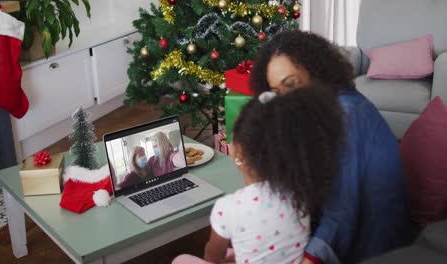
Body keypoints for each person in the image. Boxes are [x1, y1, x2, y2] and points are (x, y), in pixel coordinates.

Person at [250, 30, 411, 264]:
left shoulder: (345, 115)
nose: (285, 99)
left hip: (372, 242)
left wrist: (309, 258)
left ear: (315, 72)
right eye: (277, 92)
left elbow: (342, 211)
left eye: (291, 84)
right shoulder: (320, 107)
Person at [172, 85, 345, 264]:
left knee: (181, 259)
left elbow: (213, 256)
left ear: (238, 153)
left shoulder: (227, 208)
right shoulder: (301, 195)